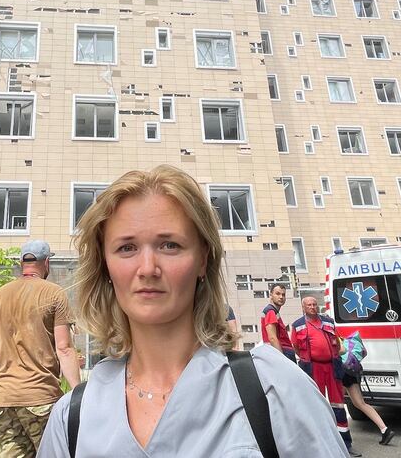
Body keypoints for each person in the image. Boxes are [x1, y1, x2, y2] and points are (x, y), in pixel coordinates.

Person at [37, 165, 347, 457]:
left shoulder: (274, 389)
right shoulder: (71, 419)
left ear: (203, 259)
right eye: (126, 248)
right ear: (105, 266)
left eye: (169, 245)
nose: (147, 269)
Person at [0, 240, 81, 458]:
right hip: (41, 399)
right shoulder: (55, 293)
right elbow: (64, 349)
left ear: (21, 263)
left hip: (3, 402)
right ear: (46, 263)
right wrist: (77, 395)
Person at [291, 295, 361, 456]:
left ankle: (346, 445)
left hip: (332, 366)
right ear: (303, 307)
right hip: (312, 368)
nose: (312, 307)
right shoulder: (298, 325)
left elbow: (338, 341)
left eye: (315, 304)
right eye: (309, 305)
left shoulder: (328, 321)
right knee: (316, 405)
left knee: (338, 404)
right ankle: (321, 446)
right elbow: (295, 347)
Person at [339, 336, 395, 446]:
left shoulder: (329, 335)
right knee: (360, 403)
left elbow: (339, 351)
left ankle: (339, 435)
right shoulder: (338, 336)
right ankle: (385, 429)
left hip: (341, 371)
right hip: (351, 370)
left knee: (337, 405)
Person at [261, 283, 296, 362]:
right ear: (271, 295)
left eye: (283, 295)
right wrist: (282, 359)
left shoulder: (273, 311)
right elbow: (272, 338)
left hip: (281, 352)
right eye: (277, 294)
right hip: (282, 352)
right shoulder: (271, 311)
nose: (281, 297)